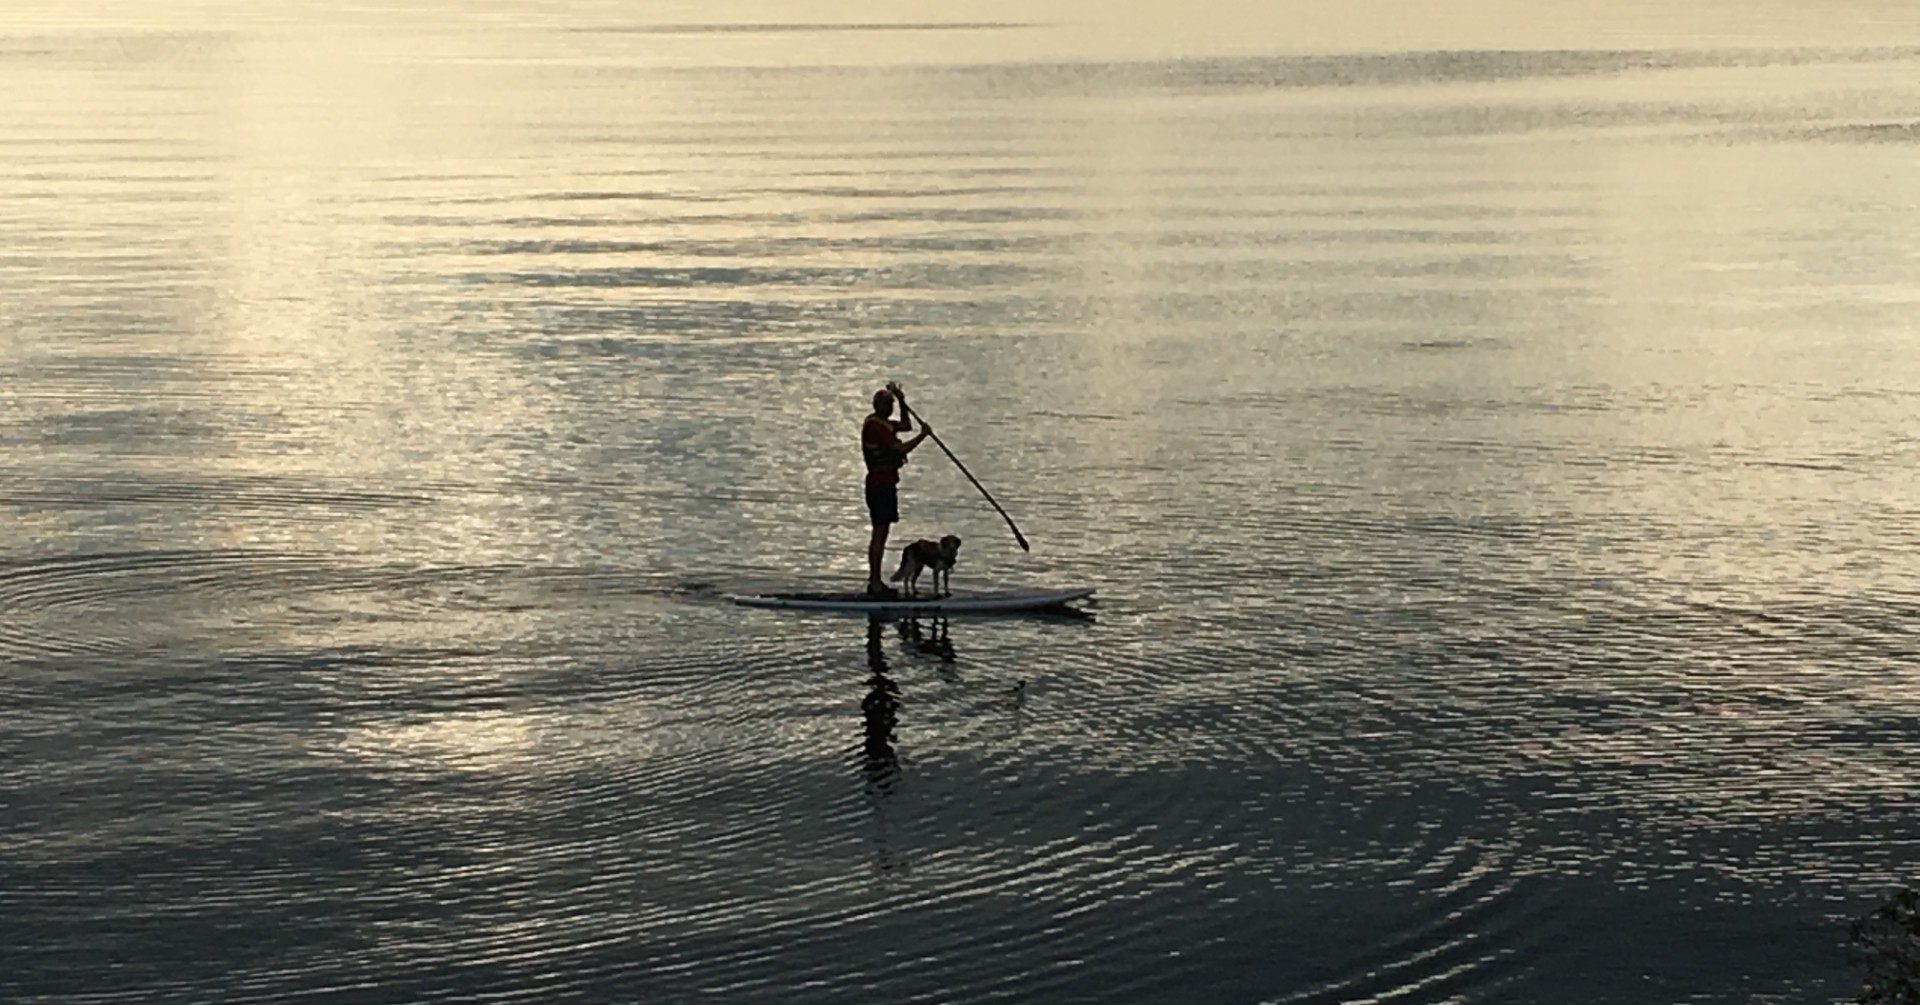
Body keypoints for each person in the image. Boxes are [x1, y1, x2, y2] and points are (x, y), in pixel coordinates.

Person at [862, 383, 930, 596]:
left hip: (887, 484)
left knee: (883, 532)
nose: (889, 407)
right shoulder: (875, 427)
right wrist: (924, 436)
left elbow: (906, 425)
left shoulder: (886, 424)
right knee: (879, 533)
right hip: (878, 485)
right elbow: (901, 447)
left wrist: (902, 400)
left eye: (891, 404)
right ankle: (874, 583)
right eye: (886, 404)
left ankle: (876, 582)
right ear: (876, 405)